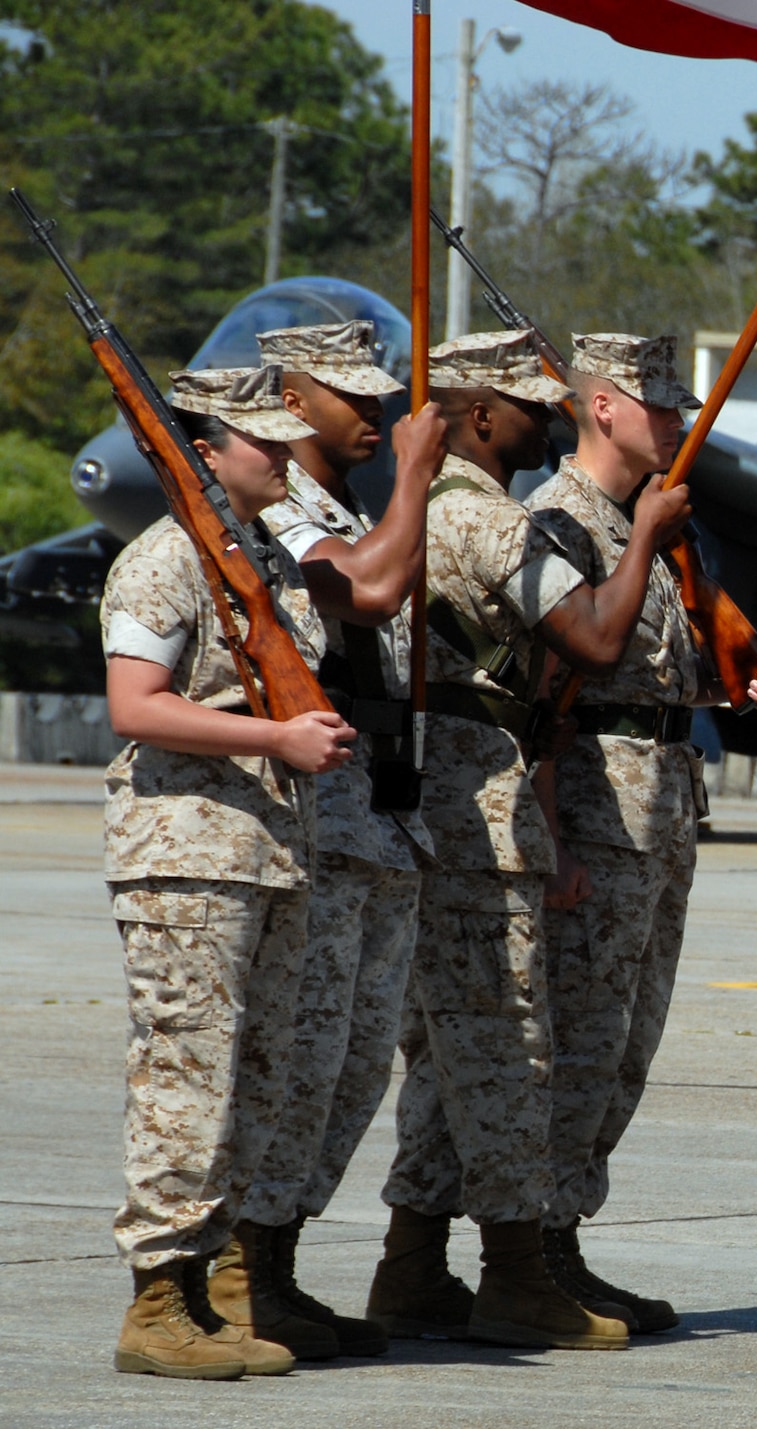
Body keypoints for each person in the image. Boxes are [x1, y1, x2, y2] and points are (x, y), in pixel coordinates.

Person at [365, 330, 690, 1353]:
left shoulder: (463, 507)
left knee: (474, 1048)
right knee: (511, 1050)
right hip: (491, 809)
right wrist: (643, 536)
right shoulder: (492, 516)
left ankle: (423, 1265)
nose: (542, 419)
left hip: (495, 800)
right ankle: (519, 1267)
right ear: (477, 414)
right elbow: (586, 647)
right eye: (524, 403)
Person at [524, 333, 757, 1332]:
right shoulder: (559, 522)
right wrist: (550, 836)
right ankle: (535, 1250)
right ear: (602, 407)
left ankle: (564, 1239)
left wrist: (752, 677)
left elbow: (686, 662)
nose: (684, 422)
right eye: (662, 404)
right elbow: (551, 687)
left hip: (664, 800)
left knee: (627, 1041)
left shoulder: (664, 524)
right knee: (579, 1038)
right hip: (597, 807)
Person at [102, 367, 353, 1379]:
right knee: (185, 1076)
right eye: (264, 444)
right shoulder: (164, 558)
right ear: (204, 454)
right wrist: (275, 738)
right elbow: (136, 704)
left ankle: (211, 1290)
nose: (285, 459)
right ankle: (156, 1299)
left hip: (267, 855)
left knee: (254, 1082)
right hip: (186, 855)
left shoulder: (266, 562)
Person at [207, 321, 442, 1362]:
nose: (379, 413)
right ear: (293, 402)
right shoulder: (283, 513)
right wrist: (419, 481)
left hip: (384, 820)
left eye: (384, 396)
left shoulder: (341, 502)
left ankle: (280, 1261)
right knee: (301, 1057)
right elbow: (365, 590)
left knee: (350, 1069)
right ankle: (240, 1268)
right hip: (327, 825)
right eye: (355, 396)